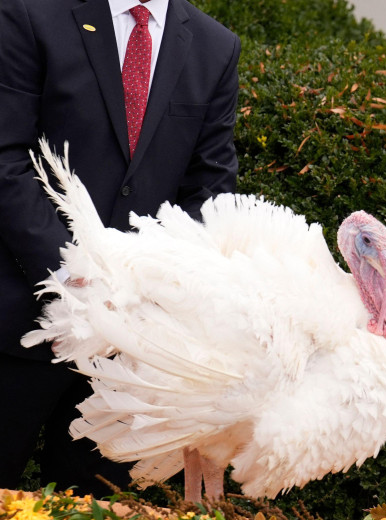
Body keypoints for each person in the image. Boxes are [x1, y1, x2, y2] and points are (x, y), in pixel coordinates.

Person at [0, 0, 240, 495]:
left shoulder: (216, 47)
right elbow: (6, 160)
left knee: (94, 506)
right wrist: (71, 271)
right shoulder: (29, 13)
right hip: (17, 320)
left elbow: (212, 193)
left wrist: (144, 286)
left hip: (127, 358)